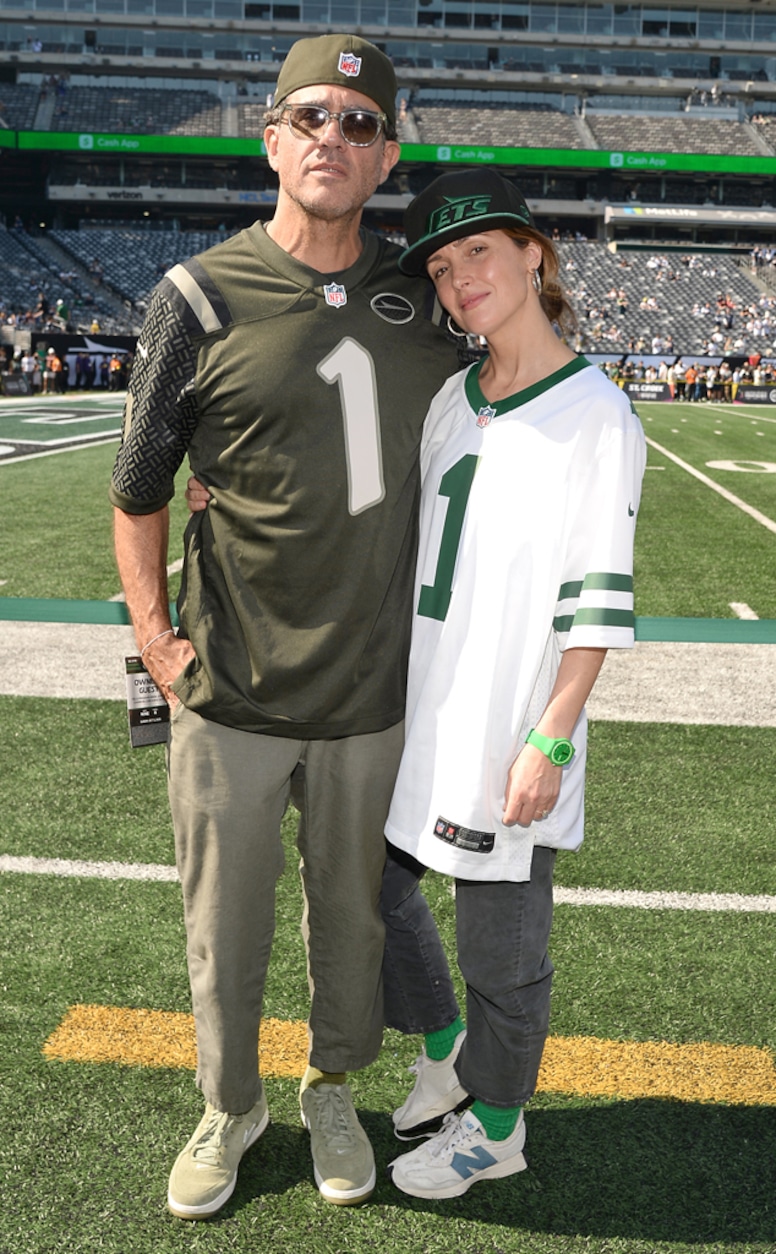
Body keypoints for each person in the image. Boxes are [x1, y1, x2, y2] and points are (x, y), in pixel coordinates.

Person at [109, 33, 456, 1221]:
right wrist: (157, 641)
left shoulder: (428, 298)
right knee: (225, 921)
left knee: (354, 923)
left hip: (374, 691)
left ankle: (328, 1089)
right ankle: (229, 1101)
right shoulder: (195, 296)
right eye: (310, 116)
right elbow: (140, 486)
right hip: (232, 685)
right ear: (271, 137)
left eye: (359, 125)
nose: (332, 138)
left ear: (387, 155)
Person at [375, 169, 646, 1200]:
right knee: (374, 879)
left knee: (501, 943)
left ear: (533, 253)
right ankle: (444, 1047)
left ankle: (495, 1125)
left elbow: (594, 600)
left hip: (506, 721)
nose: (458, 280)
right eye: (441, 268)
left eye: (476, 252)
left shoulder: (596, 416)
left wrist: (551, 737)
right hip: (422, 705)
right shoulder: (453, 395)